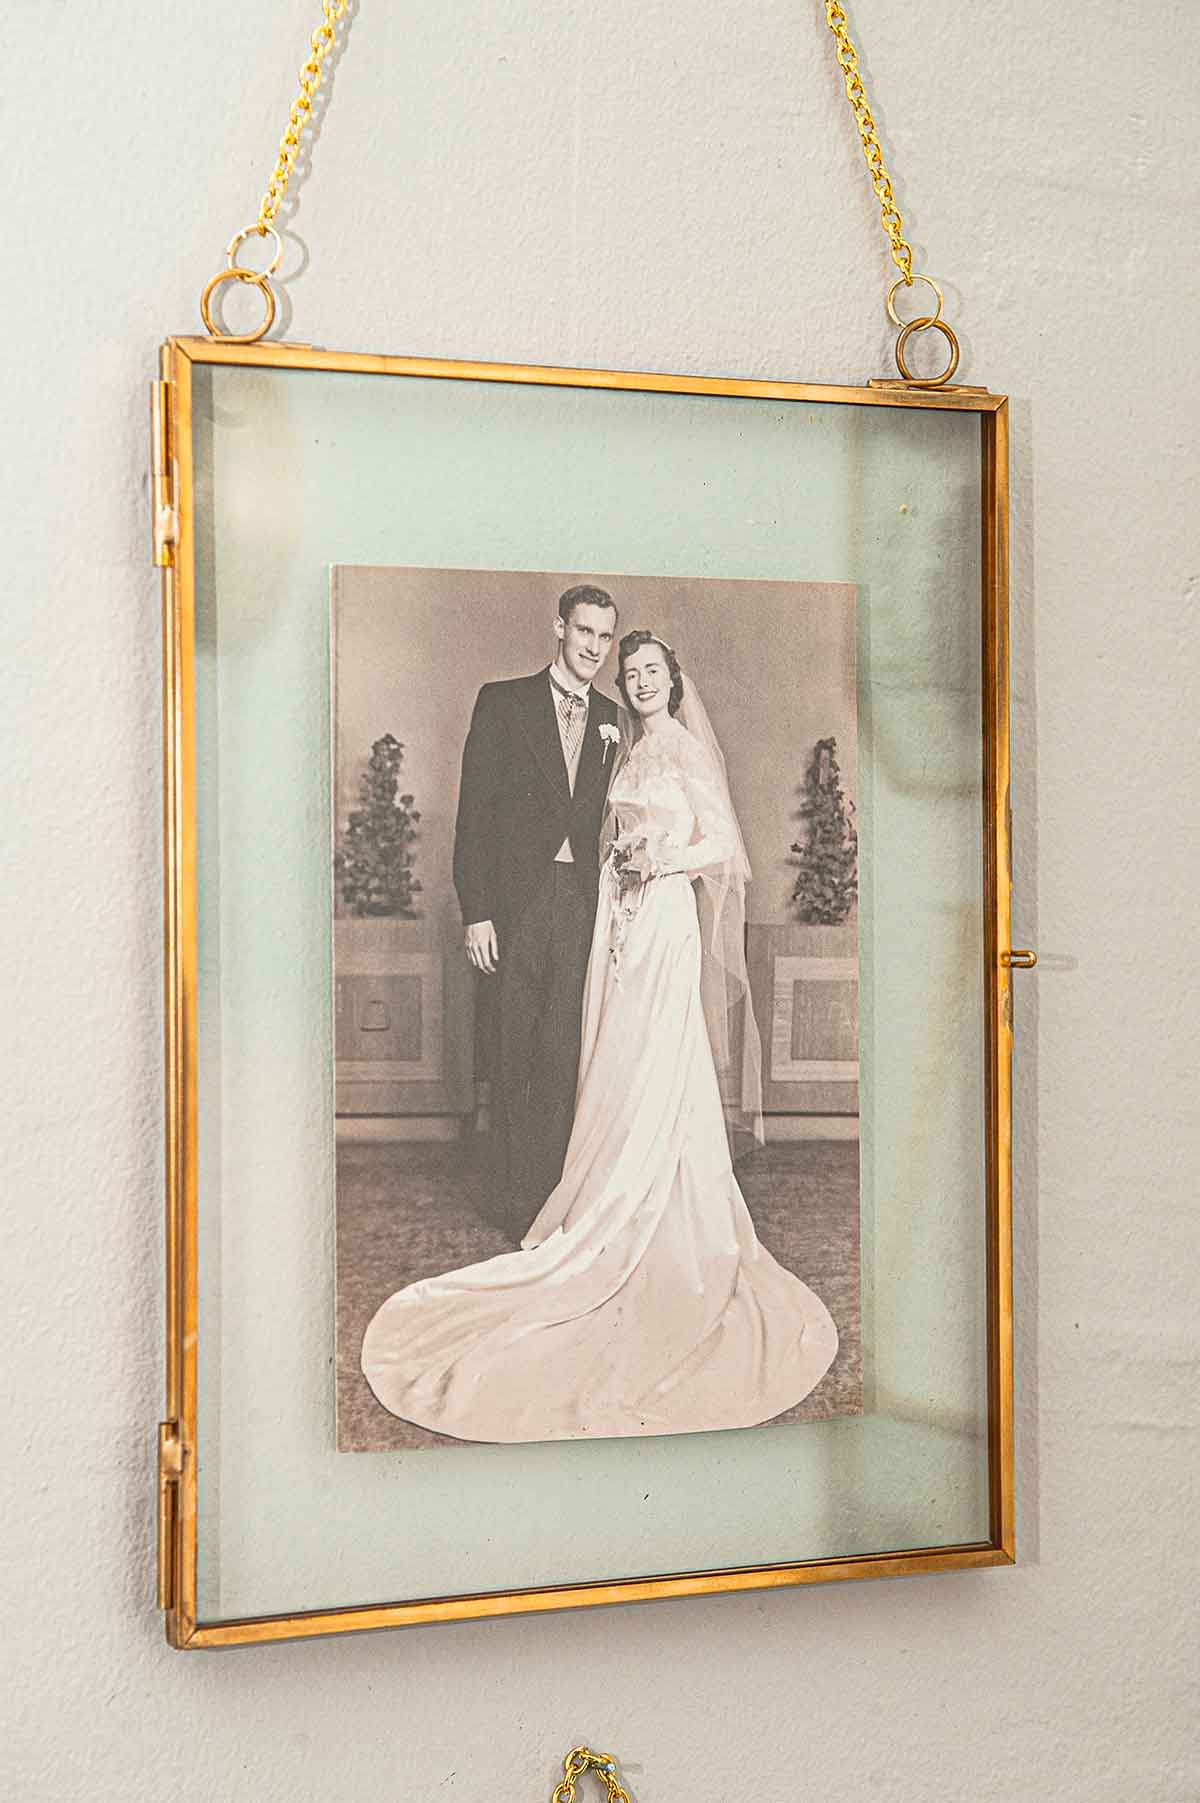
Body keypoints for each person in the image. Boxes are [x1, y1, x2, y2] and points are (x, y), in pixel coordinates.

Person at [361, 631, 839, 1442]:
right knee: (616, 1060)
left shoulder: (681, 748)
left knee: (659, 1056)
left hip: (665, 919)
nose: (642, 682)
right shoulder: (628, 743)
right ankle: (606, 1194)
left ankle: (659, 1207)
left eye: (654, 672)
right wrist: (625, 864)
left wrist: (659, 860)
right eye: (633, 672)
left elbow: (724, 847)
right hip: (619, 922)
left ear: (674, 681)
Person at [451, 584, 621, 1222]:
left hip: (579, 905)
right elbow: (474, 815)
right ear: (559, 628)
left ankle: (552, 1201)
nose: (594, 649)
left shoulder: (611, 716)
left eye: (604, 638)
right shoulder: (504, 703)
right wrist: (477, 911)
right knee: (511, 1047)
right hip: (514, 905)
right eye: (584, 633)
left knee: (561, 1051)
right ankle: (510, 1199)